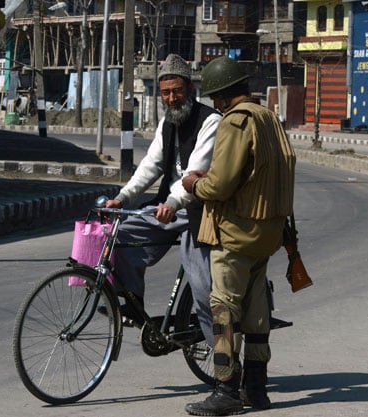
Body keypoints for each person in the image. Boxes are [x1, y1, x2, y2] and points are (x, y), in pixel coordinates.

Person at [182, 56, 296, 416]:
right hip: (268, 232)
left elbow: (222, 183)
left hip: (235, 232)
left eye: (214, 97)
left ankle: (227, 390)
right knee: (257, 313)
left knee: (224, 310)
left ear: (220, 96)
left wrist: (194, 184)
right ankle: (257, 390)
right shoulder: (268, 118)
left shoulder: (236, 121)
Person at [104, 54, 221, 347]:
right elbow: (151, 165)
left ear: (190, 89)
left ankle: (225, 369)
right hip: (167, 208)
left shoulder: (210, 122)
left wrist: (173, 202)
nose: (171, 98)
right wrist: (123, 197)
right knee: (120, 237)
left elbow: (197, 171)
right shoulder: (167, 123)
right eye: (166, 92)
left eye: (177, 91)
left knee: (203, 290)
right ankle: (133, 305)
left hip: (198, 212)